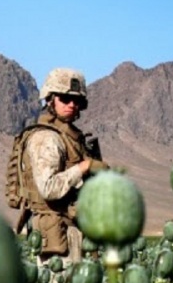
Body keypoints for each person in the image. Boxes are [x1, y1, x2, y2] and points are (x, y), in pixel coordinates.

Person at [20, 68, 108, 268]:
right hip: (57, 240)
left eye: (76, 101)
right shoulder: (47, 138)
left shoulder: (72, 138)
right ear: (51, 100)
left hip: (73, 232)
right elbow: (48, 188)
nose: (71, 105)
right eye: (65, 99)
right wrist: (84, 167)